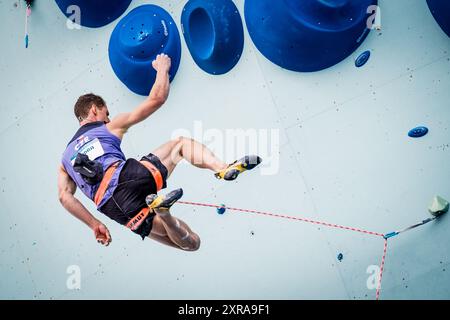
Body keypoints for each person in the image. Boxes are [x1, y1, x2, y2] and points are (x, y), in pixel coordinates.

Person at [57, 54, 262, 251]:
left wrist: (94, 224)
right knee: (180, 145)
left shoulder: (65, 159)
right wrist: (162, 69)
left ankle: (164, 214)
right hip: (130, 177)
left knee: (191, 244)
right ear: (94, 109)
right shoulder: (106, 128)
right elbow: (157, 99)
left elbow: (65, 198)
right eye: (106, 113)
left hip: (116, 207)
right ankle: (222, 168)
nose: (108, 119)